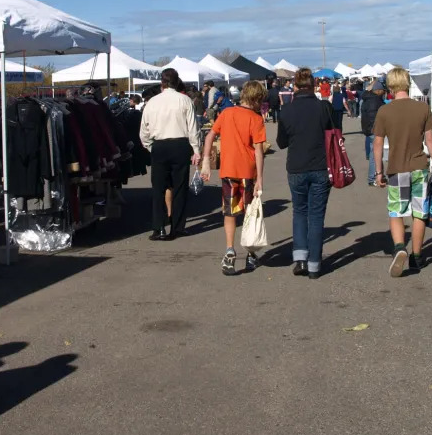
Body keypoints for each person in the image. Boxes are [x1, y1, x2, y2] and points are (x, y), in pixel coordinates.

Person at [373, 67, 432, 278]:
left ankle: (400, 246)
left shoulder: (384, 111)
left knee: (396, 211)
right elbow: (430, 141)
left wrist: (378, 172)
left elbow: (377, 144)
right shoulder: (422, 108)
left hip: (396, 169)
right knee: (420, 212)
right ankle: (417, 256)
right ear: (407, 83)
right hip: (419, 167)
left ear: (390, 86)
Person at [201, 80, 267, 275]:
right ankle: (250, 253)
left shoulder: (227, 113)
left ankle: (230, 250)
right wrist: (260, 178)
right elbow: (259, 151)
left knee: (229, 212)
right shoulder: (256, 119)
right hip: (248, 171)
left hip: (228, 171)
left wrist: (206, 160)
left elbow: (209, 136)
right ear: (256, 100)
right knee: (249, 213)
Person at [277, 67, 334, 280]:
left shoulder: (287, 110)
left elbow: (282, 143)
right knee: (316, 216)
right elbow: (334, 133)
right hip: (321, 166)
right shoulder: (324, 107)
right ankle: (314, 266)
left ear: (294, 85)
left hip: (296, 167)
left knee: (299, 212)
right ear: (313, 85)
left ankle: (300, 258)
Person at [140, 68, 202, 241]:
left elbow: (144, 130)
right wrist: (196, 150)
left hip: (159, 145)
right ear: (176, 82)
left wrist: (150, 146)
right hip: (180, 145)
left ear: (162, 83)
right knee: (180, 187)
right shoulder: (185, 100)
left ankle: (159, 228)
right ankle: (178, 227)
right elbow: (193, 128)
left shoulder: (152, 102)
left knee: (158, 188)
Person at [360, 79, 387, 186]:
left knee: (374, 153)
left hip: (368, 129)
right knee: (375, 154)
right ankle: (373, 177)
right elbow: (374, 118)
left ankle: (377, 175)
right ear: (379, 90)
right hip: (374, 130)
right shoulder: (376, 101)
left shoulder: (368, 98)